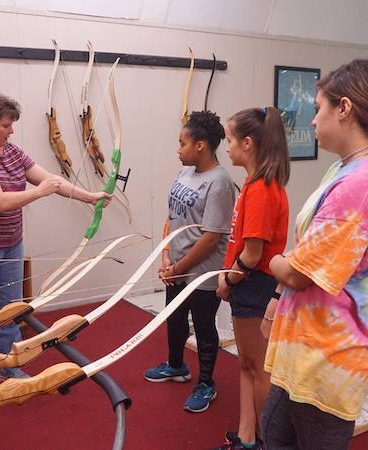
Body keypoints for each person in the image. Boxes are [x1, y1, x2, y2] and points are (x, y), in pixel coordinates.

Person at [263, 59, 368, 450]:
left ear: (345, 109)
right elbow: (309, 252)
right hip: (309, 348)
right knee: (275, 433)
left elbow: (301, 270)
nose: (314, 120)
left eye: (319, 108)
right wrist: (277, 295)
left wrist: (272, 261)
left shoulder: (362, 182)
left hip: (328, 356)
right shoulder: (344, 170)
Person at [0, 92, 110, 390]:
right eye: (6, 125)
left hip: (10, 242)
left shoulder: (11, 151)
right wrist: (39, 192)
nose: (11, 130)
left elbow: (52, 179)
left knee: (11, 309)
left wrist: (91, 197)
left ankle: (8, 368)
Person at [143, 110, 237, 413]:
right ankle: (176, 366)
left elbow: (211, 237)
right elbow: (173, 215)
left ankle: (206, 383)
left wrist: (178, 268)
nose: (178, 148)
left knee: (203, 325)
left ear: (201, 145)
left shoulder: (220, 183)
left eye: (182, 142)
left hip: (202, 272)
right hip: (178, 266)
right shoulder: (185, 172)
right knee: (174, 317)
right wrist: (167, 255)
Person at [214, 107, 290, 450]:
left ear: (248, 143)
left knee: (259, 369)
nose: (226, 147)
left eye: (230, 140)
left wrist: (228, 282)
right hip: (249, 285)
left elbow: (253, 254)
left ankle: (265, 441)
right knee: (246, 364)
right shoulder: (254, 182)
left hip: (253, 285)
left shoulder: (260, 188)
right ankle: (247, 438)